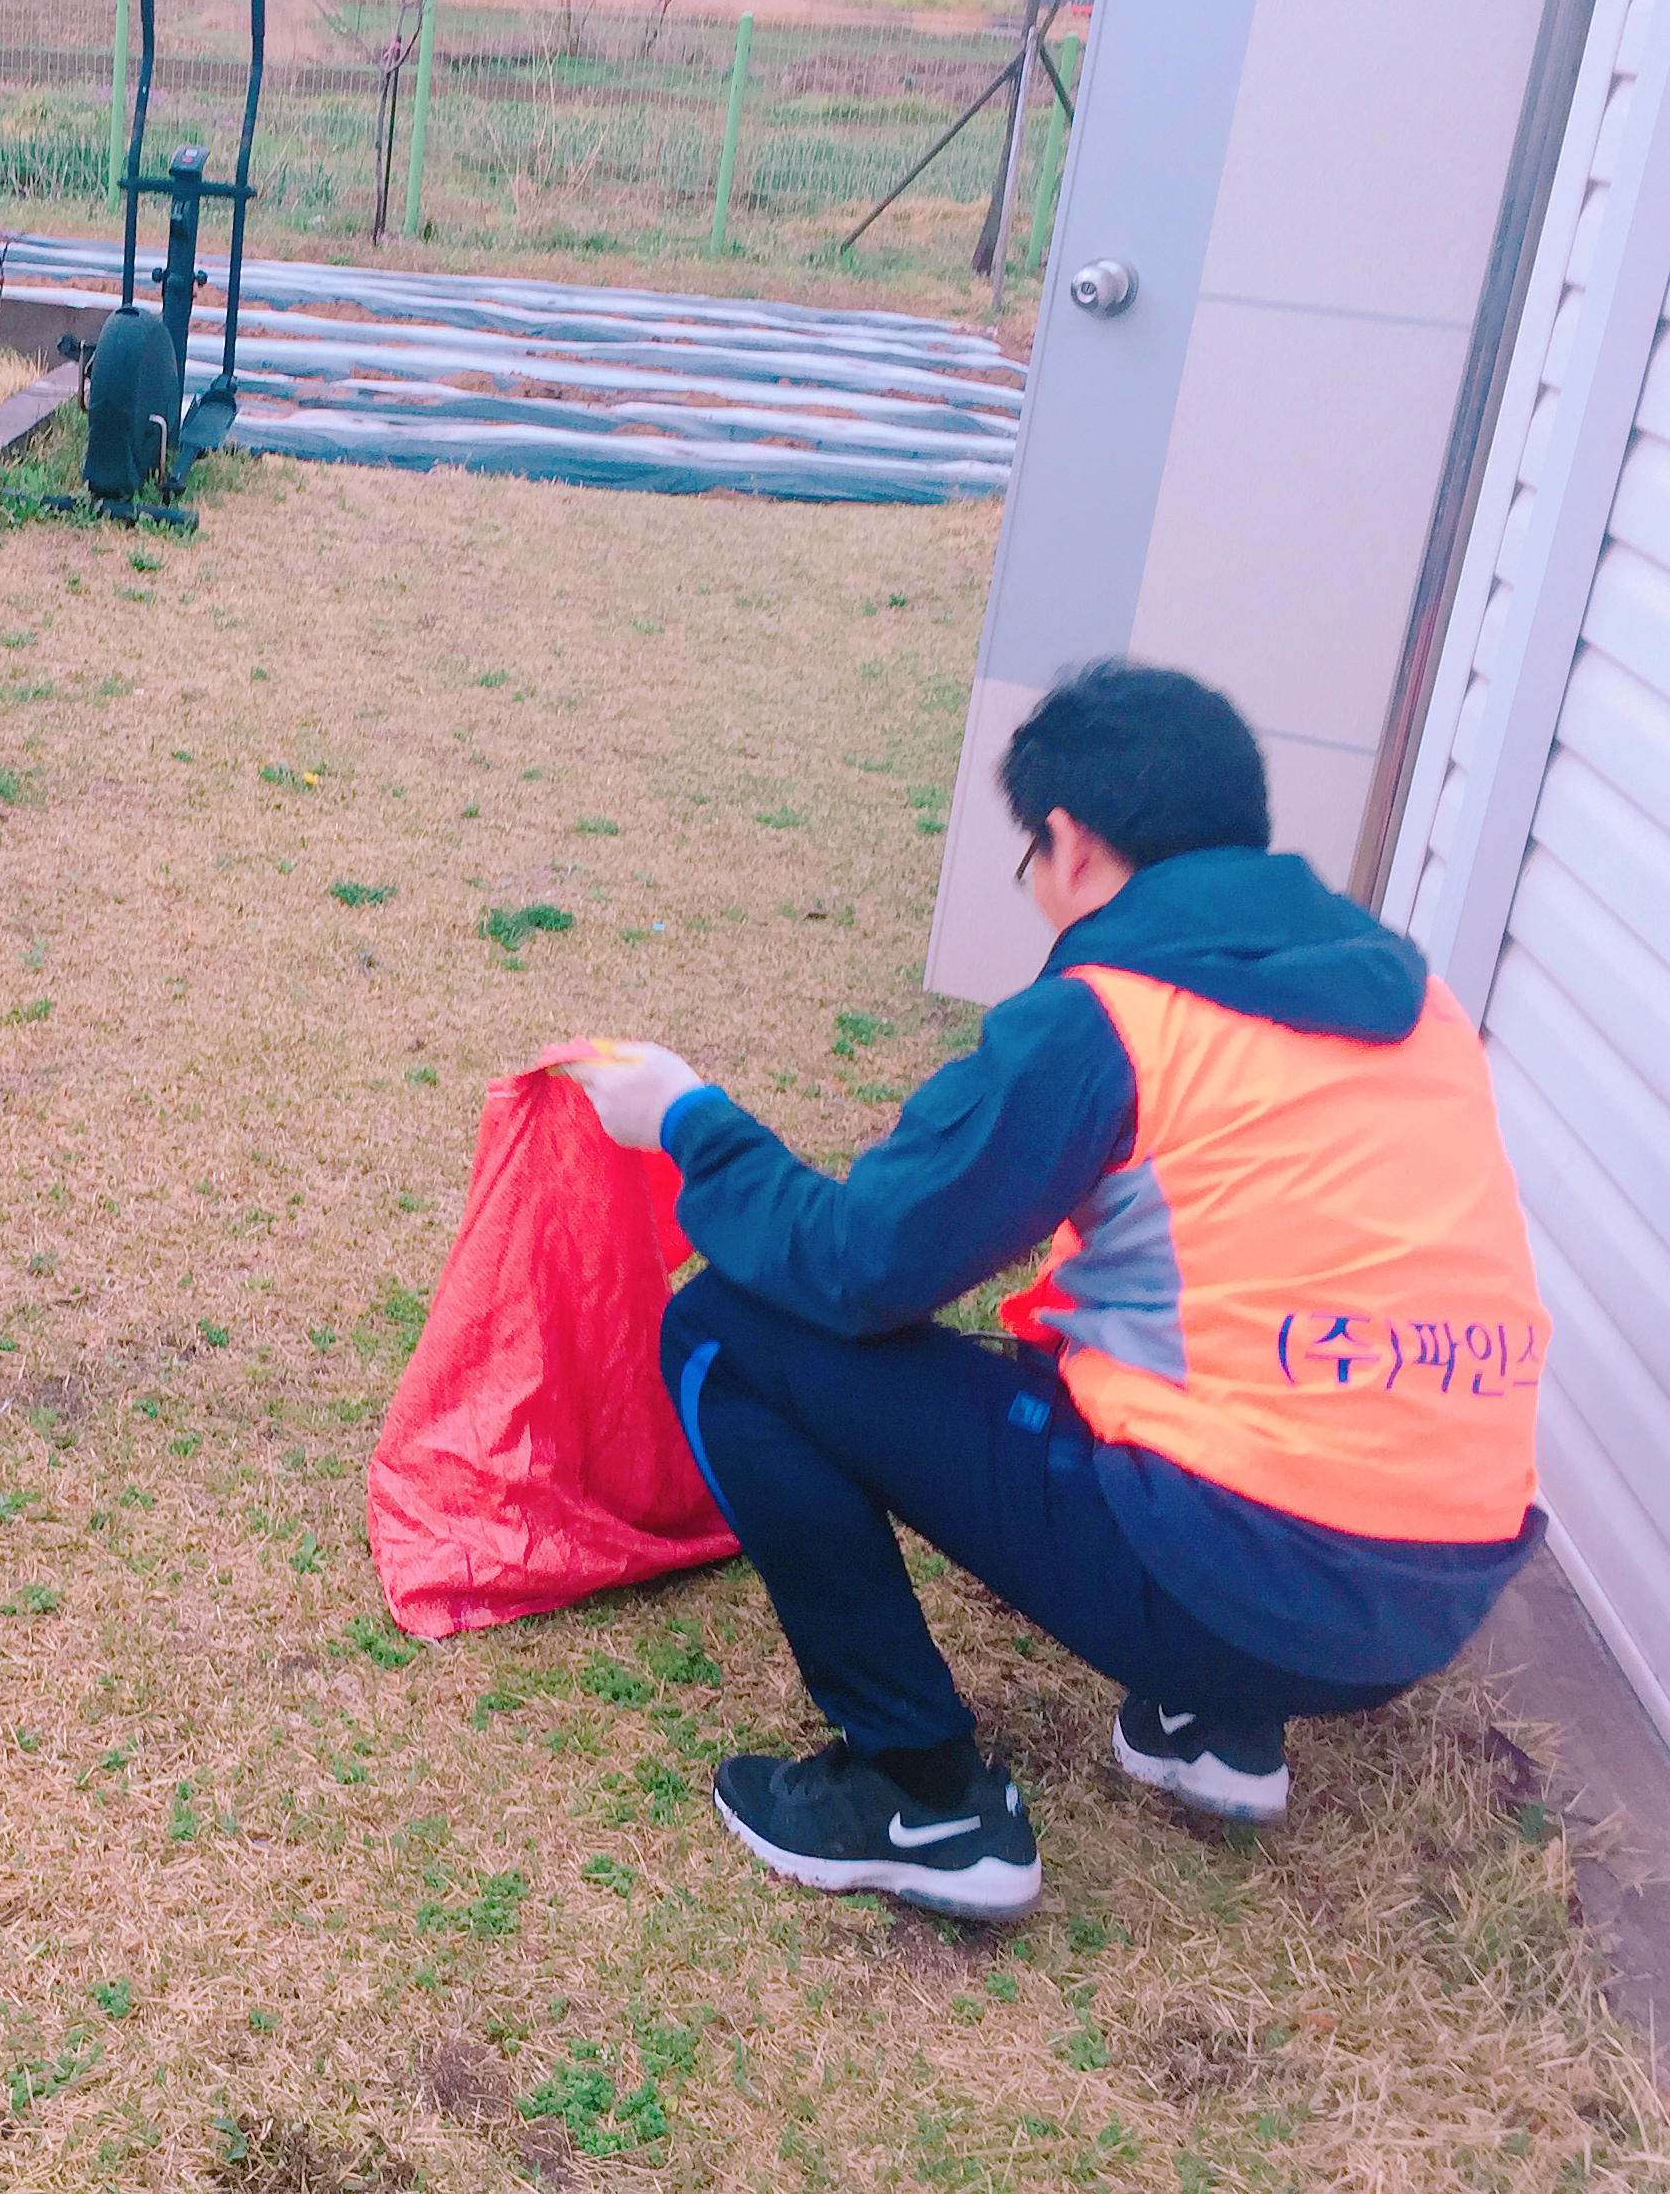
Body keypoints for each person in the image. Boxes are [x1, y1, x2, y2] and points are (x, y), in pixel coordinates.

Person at [564, 662, 1547, 1922]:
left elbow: (860, 1264)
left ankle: (920, 1798)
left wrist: (689, 1120)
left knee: (730, 1331)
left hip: (1242, 1581)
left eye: (1030, 853)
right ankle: (1215, 1723)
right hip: (1438, 1596)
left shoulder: (1109, 1017)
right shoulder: (1420, 1000)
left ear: (1070, 844)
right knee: (1137, 1332)